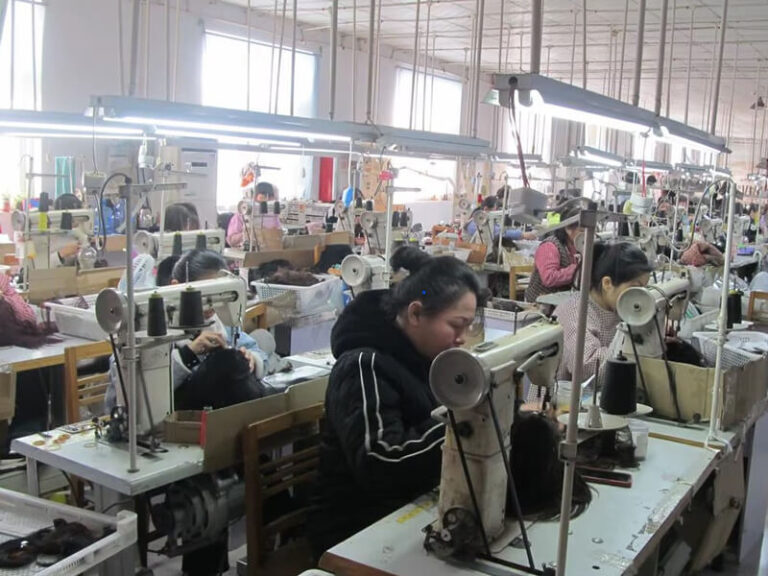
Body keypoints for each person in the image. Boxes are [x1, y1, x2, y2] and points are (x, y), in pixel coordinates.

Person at [309, 246, 486, 557]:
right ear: (415, 313)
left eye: (467, 327)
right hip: (355, 530)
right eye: (456, 325)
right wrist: (463, 421)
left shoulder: (425, 359)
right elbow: (381, 463)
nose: (462, 338)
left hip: (406, 509)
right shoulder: (362, 366)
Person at [554, 242, 653, 384]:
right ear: (607, 283)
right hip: (565, 395)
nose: (639, 295)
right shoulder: (576, 311)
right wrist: (635, 347)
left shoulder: (617, 308)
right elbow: (585, 368)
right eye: (634, 288)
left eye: (644, 289)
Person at [524, 203, 583, 303]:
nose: (586, 235)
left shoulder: (576, 247)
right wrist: (578, 270)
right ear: (568, 229)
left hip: (562, 302)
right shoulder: (550, 246)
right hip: (540, 304)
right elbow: (549, 278)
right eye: (582, 230)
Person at [465, 196, 537, 242]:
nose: (498, 214)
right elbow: (497, 232)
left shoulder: (486, 221)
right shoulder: (475, 223)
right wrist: (523, 235)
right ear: (486, 209)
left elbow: (499, 229)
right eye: (496, 210)